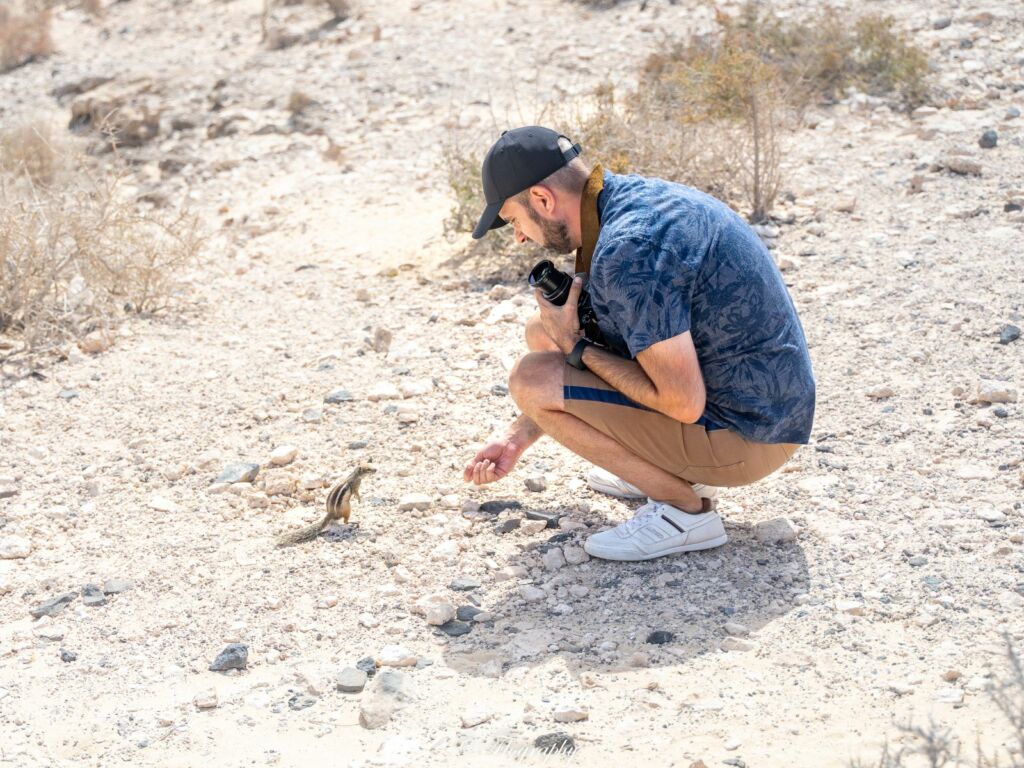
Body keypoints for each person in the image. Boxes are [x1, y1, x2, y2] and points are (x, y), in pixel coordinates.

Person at [462, 126, 815, 562]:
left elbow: (682, 403)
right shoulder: (627, 200)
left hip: (750, 438)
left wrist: (576, 345)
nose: (518, 236)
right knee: (542, 333)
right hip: (768, 410)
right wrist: (517, 436)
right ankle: (658, 463)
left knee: (531, 378)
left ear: (542, 199)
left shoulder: (629, 250)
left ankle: (684, 512)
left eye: (514, 220)